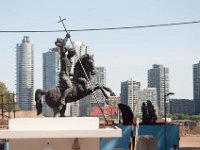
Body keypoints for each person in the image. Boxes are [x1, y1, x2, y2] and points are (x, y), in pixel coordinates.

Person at [55, 33, 76, 107]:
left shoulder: (70, 62)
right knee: (70, 87)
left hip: (67, 76)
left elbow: (69, 73)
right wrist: (66, 37)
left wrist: (76, 75)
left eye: (74, 53)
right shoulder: (64, 57)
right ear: (69, 52)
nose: (73, 54)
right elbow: (62, 46)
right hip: (63, 75)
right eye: (72, 52)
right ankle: (63, 99)